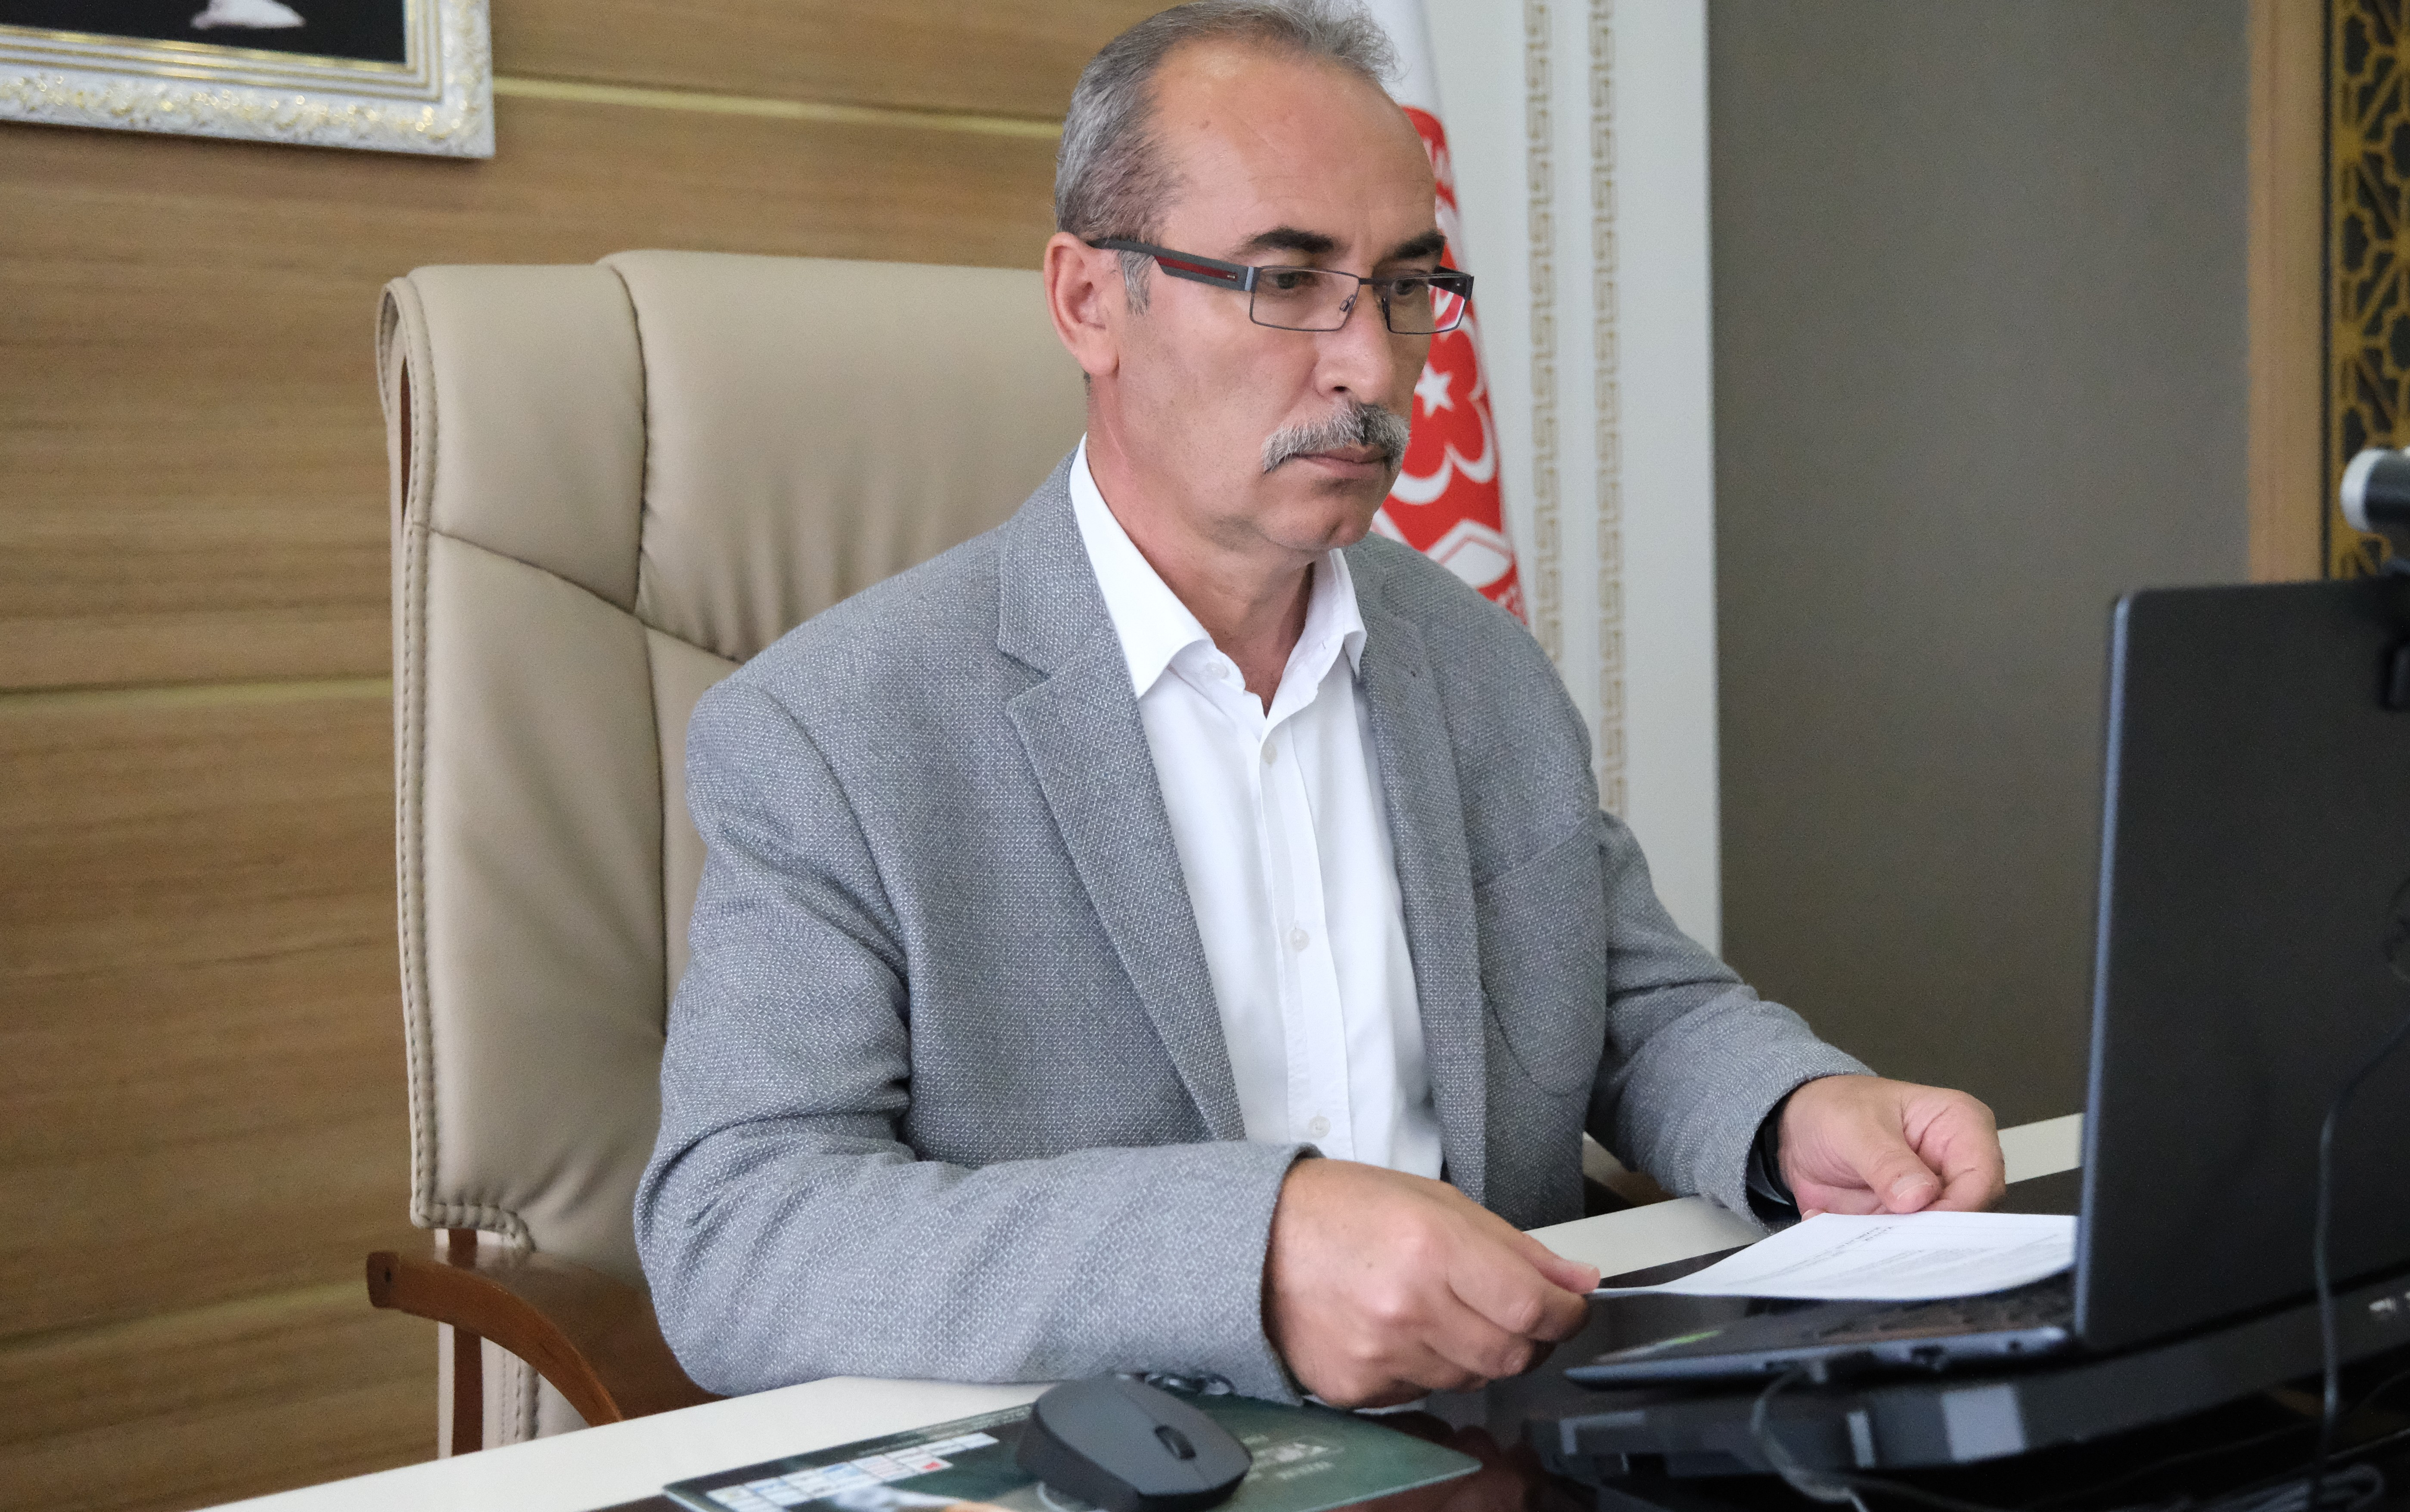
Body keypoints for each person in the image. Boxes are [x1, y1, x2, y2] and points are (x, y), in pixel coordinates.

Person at [635, 0, 2004, 1410]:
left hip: (1502, 1434)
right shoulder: (833, 732)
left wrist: (1792, 1112)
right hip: (1132, 1459)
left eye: (1404, 287)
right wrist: (1256, 1249)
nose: (1371, 366)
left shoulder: (1476, 666)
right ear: (1090, 302)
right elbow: (740, 1236)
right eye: (1288, 282)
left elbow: (1628, 1008)